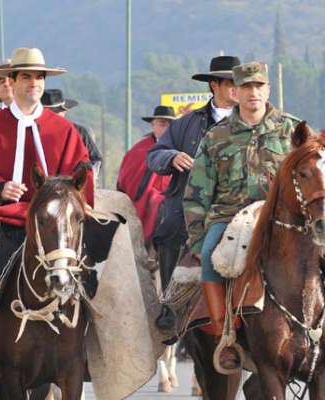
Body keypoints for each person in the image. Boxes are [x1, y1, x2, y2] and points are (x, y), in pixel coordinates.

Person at [183, 61, 300, 372]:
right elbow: (196, 194)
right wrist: (197, 238)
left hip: (281, 219)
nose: (253, 93)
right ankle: (227, 336)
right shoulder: (215, 137)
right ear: (234, 92)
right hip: (228, 217)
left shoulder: (291, 130)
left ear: (268, 90)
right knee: (209, 254)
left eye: (259, 86)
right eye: (247, 87)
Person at [0, 47, 94, 229]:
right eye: (26, 77)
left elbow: (80, 173)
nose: (34, 83)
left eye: (39, 77)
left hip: (55, 222)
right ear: (12, 81)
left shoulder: (64, 130)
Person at [146, 55, 241, 330]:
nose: (238, 88)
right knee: (168, 230)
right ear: (214, 85)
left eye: (240, 83)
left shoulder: (248, 121)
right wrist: (172, 156)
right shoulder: (185, 123)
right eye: (230, 82)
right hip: (188, 205)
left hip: (237, 205)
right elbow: (154, 155)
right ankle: (170, 306)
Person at [117, 105, 175, 245]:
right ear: (152, 125)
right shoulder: (139, 150)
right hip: (143, 201)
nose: (166, 128)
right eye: (162, 124)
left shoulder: (184, 147)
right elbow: (127, 181)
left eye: (170, 125)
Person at [41, 88, 103, 173]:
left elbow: (96, 160)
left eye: (56, 113)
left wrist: (82, 178)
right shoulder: (32, 131)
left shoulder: (79, 131)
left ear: (65, 111)